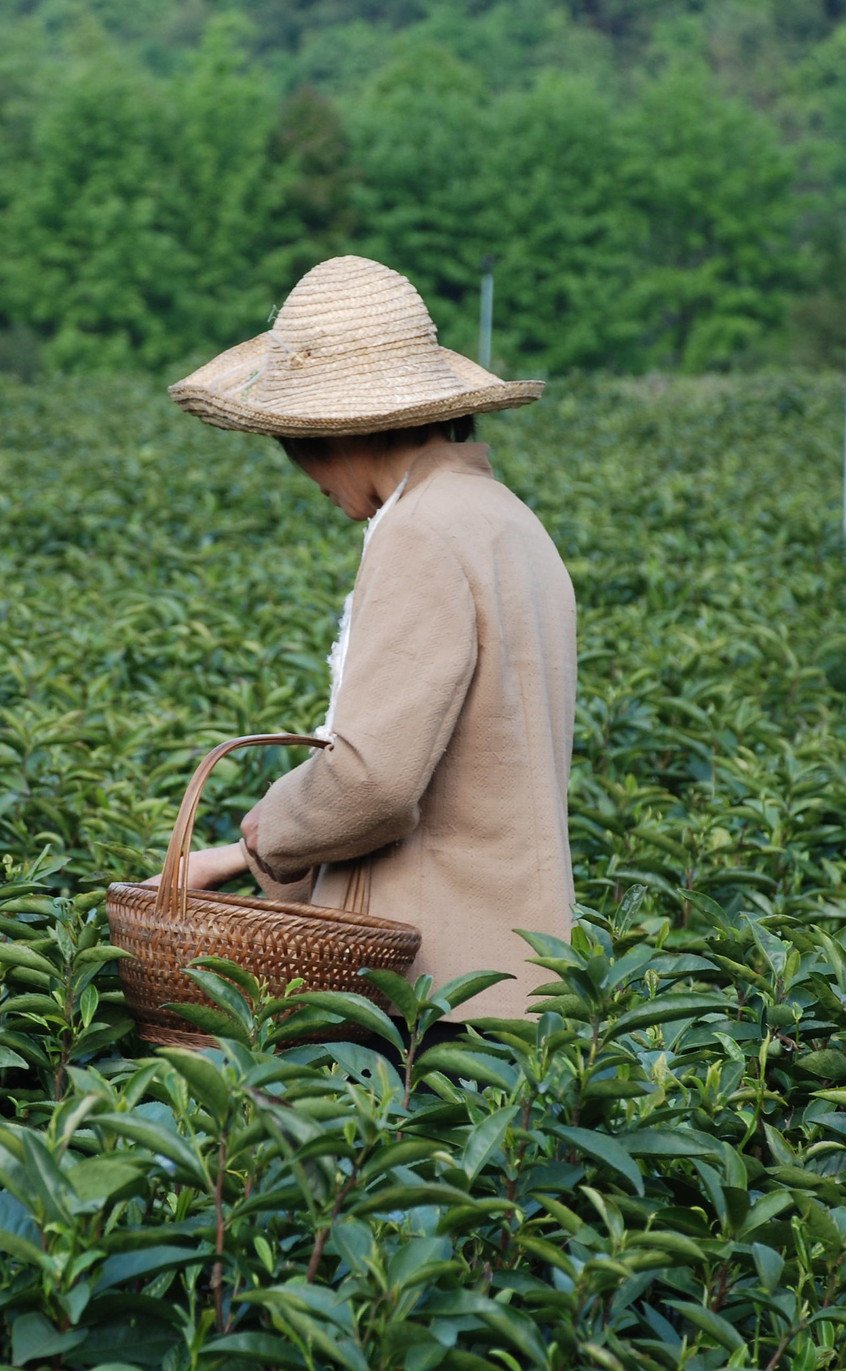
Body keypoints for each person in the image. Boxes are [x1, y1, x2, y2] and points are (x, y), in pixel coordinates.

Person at [163, 255, 578, 1047]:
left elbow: (375, 780)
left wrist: (262, 833)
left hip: (427, 992)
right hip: (521, 977)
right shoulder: (510, 523)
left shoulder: (419, 532)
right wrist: (234, 860)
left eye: (297, 443)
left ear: (337, 431)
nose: (304, 474)